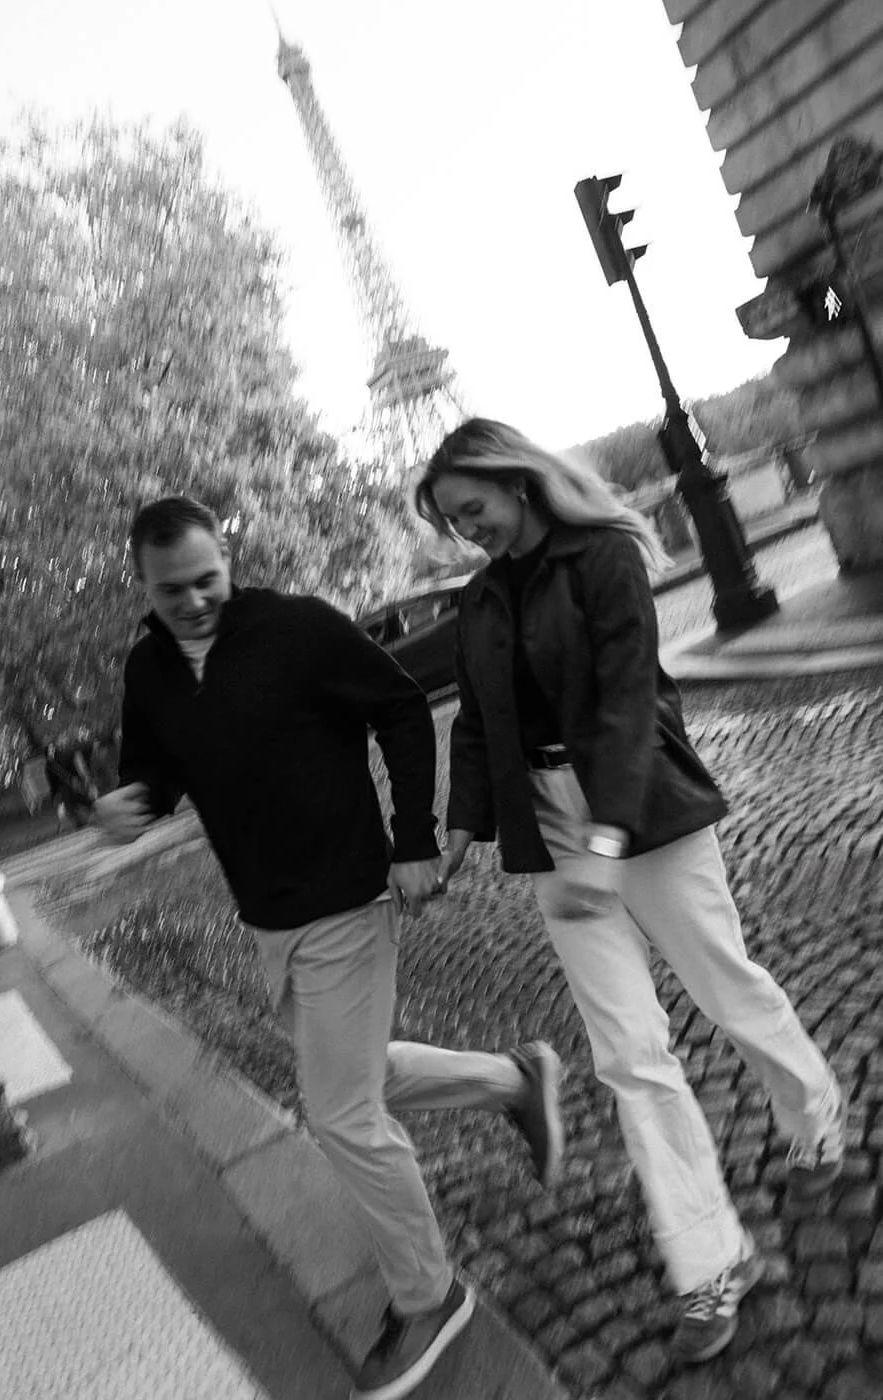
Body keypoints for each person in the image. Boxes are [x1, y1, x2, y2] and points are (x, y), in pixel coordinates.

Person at [94, 495, 565, 1400]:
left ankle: (429, 1296)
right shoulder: (147, 669)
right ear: (141, 585)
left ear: (226, 559)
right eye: (171, 590)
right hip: (267, 912)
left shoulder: (297, 629)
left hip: (345, 896)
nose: (194, 600)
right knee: (356, 1076)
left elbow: (397, 705)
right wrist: (131, 805)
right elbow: (154, 771)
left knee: (341, 1111)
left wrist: (415, 837)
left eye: (207, 579)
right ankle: (513, 1080)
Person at [414, 418, 846, 1366]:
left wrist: (602, 846)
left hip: (641, 809)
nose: (466, 530)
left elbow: (625, 703)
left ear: (516, 481)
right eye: (450, 521)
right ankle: (708, 1264)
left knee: (726, 990)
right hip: (550, 827)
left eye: (471, 508)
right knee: (627, 1054)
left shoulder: (603, 555)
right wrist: (455, 835)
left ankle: (814, 1119)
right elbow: (480, 729)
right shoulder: (482, 601)